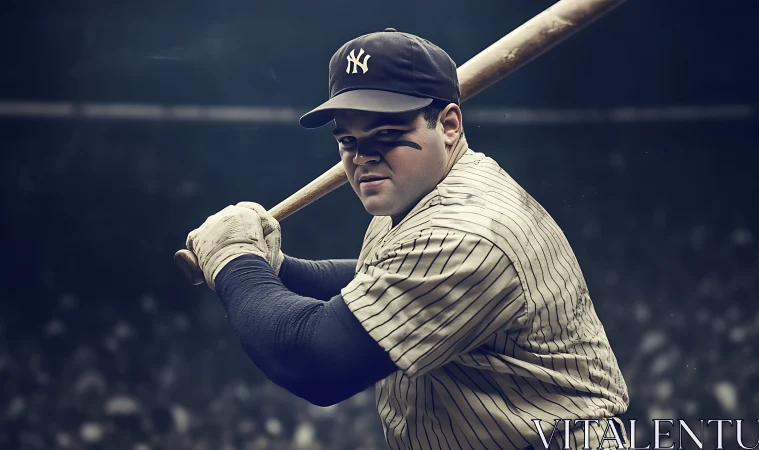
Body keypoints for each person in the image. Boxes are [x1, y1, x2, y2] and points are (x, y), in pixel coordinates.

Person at [186, 28, 629, 450]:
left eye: (386, 136)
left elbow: (313, 363)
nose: (362, 158)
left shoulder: (465, 232)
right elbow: (375, 279)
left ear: (449, 124)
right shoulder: (422, 190)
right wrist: (278, 268)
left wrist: (235, 261)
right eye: (348, 140)